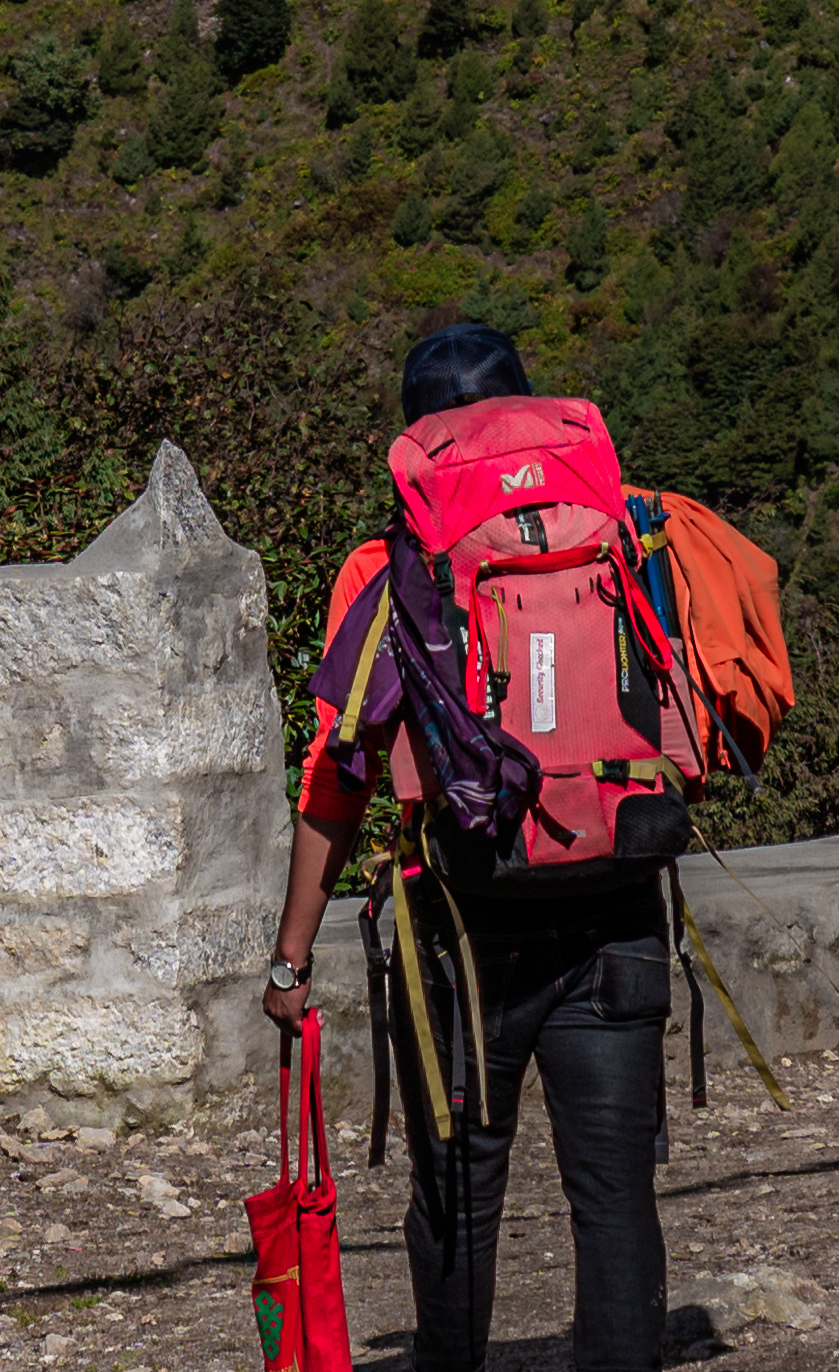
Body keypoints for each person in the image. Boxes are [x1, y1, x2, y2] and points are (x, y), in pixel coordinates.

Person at [258, 318, 677, 1372]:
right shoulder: (625, 527)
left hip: (463, 925)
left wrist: (291, 956)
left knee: (458, 1188)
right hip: (618, 893)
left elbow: (337, 776)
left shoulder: (388, 567)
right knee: (614, 1192)